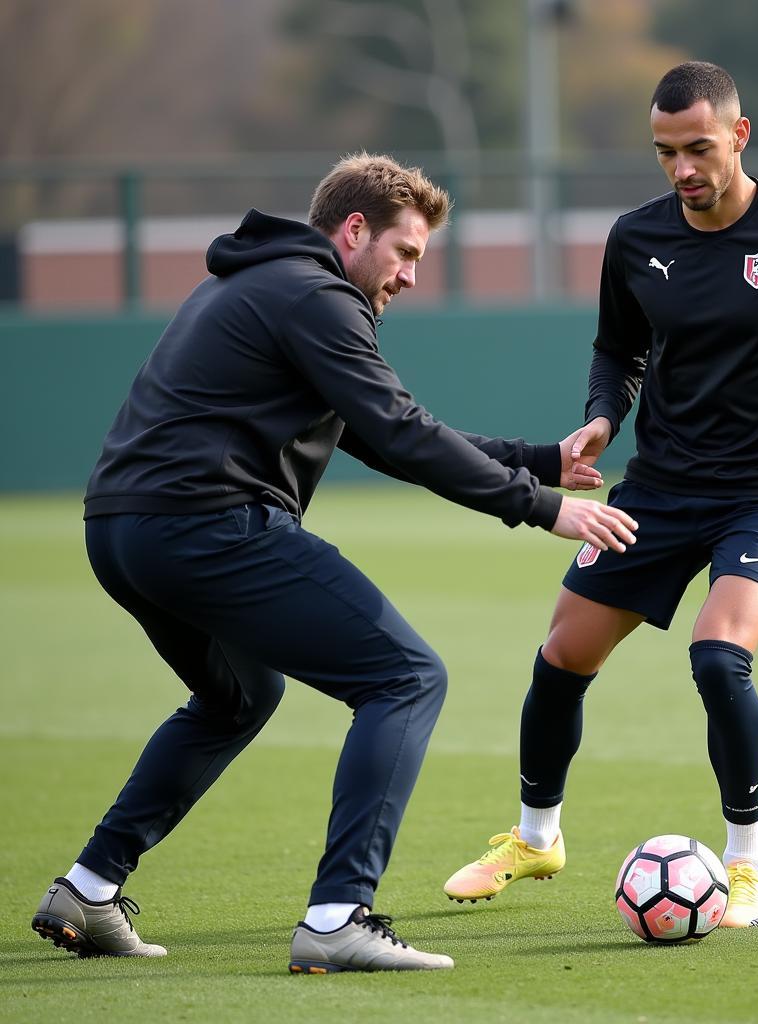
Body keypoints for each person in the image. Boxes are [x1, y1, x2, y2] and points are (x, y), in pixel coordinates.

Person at [30, 153, 638, 972]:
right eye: (407, 252)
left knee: (238, 696)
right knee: (406, 678)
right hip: (206, 523)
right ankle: (336, 918)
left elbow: (377, 430)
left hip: (122, 532)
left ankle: (90, 887)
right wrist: (542, 506)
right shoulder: (315, 294)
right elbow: (399, 429)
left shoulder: (264, 284)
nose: (412, 276)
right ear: (354, 230)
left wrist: (537, 460)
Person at [443, 62, 758, 928]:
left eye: (699, 148)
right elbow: (615, 352)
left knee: (717, 655)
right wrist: (597, 420)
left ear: (738, 135)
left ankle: (747, 868)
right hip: (658, 488)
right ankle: (536, 835)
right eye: (666, 153)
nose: (683, 169)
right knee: (561, 658)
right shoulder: (635, 240)